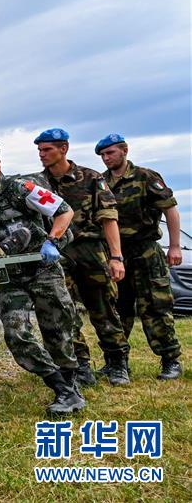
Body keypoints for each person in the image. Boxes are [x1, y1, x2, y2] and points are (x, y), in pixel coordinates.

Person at [0, 142, 85, 415]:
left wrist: (52, 240)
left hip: (43, 270)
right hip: (12, 276)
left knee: (57, 332)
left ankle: (71, 389)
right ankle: (61, 387)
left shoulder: (21, 189)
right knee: (16, 334)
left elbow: (64, 211)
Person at [36, 128, 131, 386]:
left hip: (91, 251)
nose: (42, 155)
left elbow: (109, 218)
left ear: (63, 148)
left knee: (103, 308)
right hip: (58, 254)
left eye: (47, 150)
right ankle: (80, 366)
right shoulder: (39, 183)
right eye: (40, 150)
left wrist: (116, 257)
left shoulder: (90, 178)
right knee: (64, 310)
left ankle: (117, 363)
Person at [96, 134, 183, 380]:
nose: (106, 158)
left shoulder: (146, 177)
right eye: (102, 155)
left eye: (110, 153)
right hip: (116, 254)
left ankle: (170, 360)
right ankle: (117, 363)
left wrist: (174, 246)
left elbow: (171, 211)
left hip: (145, 251)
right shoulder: (100, 182)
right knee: (116, 310)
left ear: (124, 150)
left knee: (156, 306)